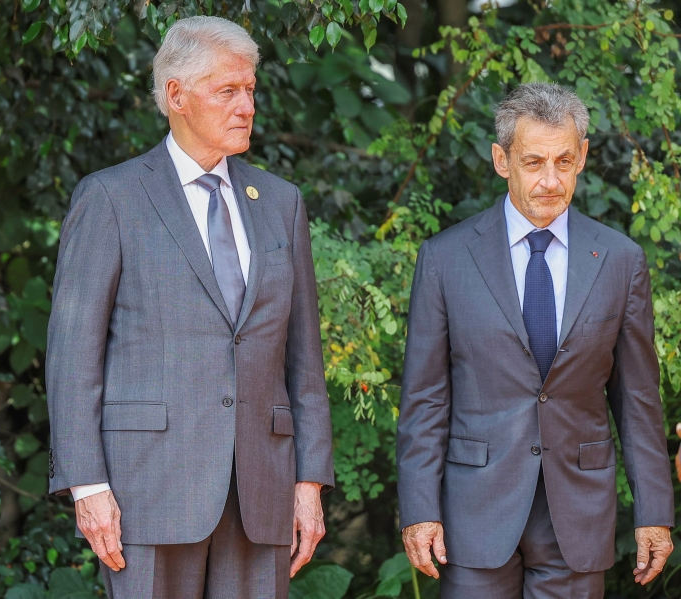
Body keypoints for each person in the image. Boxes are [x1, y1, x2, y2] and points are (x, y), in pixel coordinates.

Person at [46, 16, 334, 598]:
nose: (247, 105)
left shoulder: (281, 202)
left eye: (250, 89)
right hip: (147, 486)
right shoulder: (111, 197)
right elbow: (73, 356)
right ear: (175, 96)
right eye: (227, 90)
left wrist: (309, 482)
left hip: (262, 487)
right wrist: (86, 485)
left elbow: (304, 359)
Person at [396, 82, 675, 598]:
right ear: (502, 160)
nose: (551, 181)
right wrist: (418, 510)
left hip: (579, 512)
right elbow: (424, 399)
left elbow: (637, 399)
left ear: (583, 156)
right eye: (533, 163)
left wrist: (654, 511)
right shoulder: (445, 259)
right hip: (474, 513)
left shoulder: (620, 260)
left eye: (564, 162)